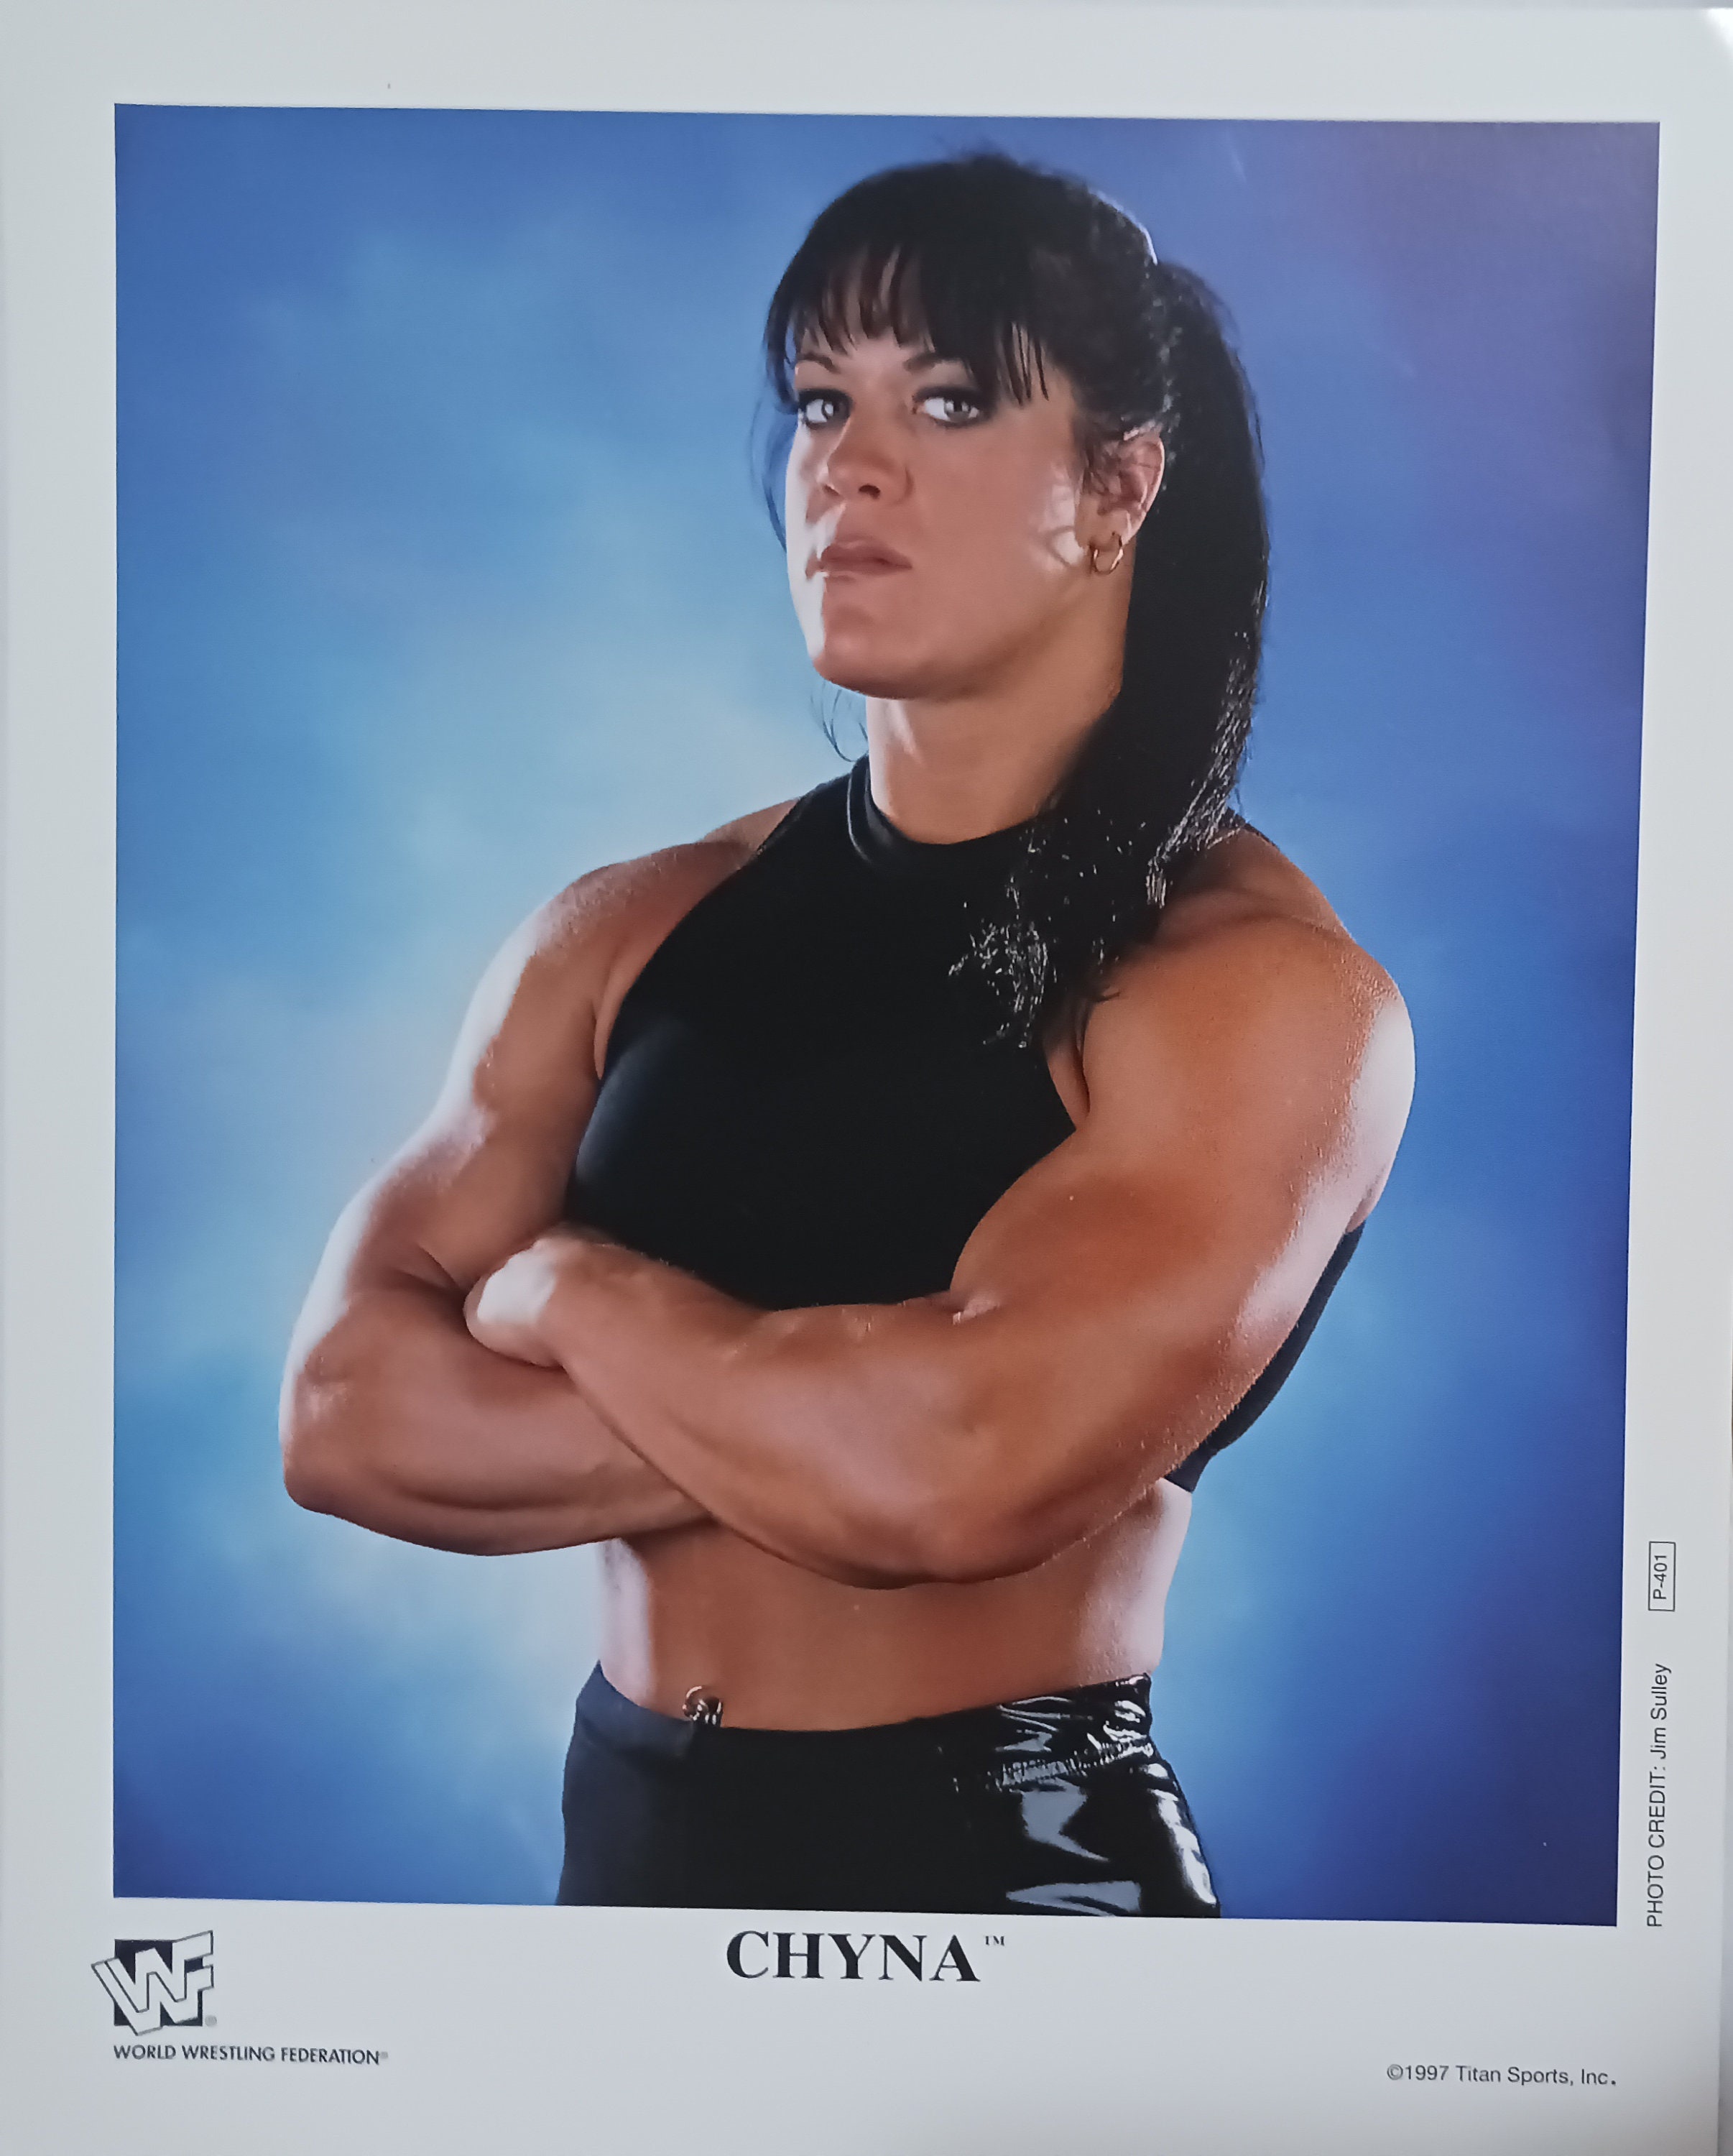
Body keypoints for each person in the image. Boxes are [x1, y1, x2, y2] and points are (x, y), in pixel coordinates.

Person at [281, 152, 1413, 1918]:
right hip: (624, 1853)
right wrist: (834, 1413)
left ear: (1120, 486)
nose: (848, 464)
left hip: (1012, 1877)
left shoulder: (1255, 989)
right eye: (824, 401)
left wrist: (575, 1297)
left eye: (948, 401)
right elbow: (346, 1411)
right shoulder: (628, 926)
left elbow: (952, 1481)